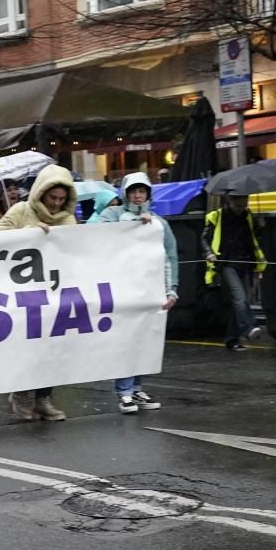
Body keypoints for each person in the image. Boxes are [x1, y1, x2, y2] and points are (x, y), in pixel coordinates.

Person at [0, 166, 78, 422]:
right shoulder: (20, 211)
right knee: (26, 348)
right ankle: (21, 394)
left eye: (61, 199)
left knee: (51, 349)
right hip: (21, 294)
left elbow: (78, 251)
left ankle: (43, 398)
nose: (56, 204)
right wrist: (28, 236)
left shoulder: (68, 220)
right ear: (41, 194)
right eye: (51, 197)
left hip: (54, 295)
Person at [93, 173, 178, 414]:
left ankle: (136, 388)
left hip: (149, 291)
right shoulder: (113, 215)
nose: (137, 195)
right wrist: (131, 225)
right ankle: (124, 392)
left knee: (144, 341)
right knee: (125, 341)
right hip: (122, 290)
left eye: (142, 191)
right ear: (125, 193)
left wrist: (171, 289)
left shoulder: (160, 223)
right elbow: (96, 236)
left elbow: (169, 257)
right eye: (133, 191)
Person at [202, 195, 267, 352]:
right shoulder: (216, 216)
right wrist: (209, 253)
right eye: (238, 206)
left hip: (246, 263)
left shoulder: (248, 216)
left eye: (244, 205)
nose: (241, 209)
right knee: (240, 297)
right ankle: (250, 327)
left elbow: (253, 239)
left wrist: (260, 226)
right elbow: (204, 239)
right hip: (226, 263)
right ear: (229, 202)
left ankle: (232, 339)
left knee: (237, 304)